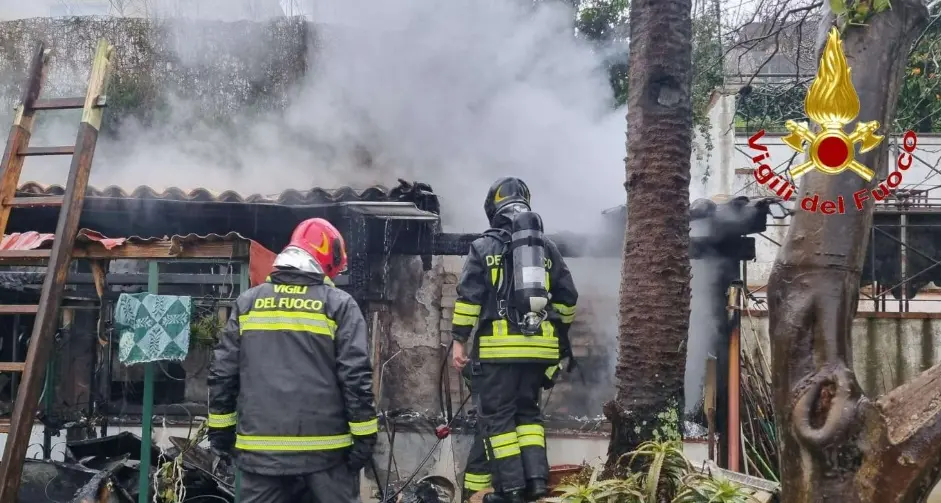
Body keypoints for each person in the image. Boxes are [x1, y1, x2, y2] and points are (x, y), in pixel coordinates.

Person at [207, 218, 378, 503]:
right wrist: (364, 439)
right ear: (326, 259)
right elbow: (356, 377)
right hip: (327, 457)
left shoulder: (248, 303)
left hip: (260, 457)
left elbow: (223, 374)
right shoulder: (338, 305)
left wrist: (221, 434)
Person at [451, 177, 579, 503]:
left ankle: (511, 491)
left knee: (499, 420)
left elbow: (469, 299)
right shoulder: (546, 249)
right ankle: (537, 482)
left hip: (499, 352)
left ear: (493, 208)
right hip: (539, 353)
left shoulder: (484, 247)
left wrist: (459, 341)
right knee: (529, 417)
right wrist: (558, 334)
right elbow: (568, 298)